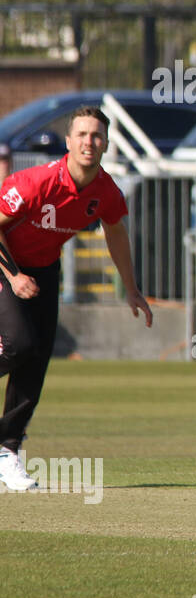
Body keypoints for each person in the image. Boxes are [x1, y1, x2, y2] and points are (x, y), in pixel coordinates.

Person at [0, 106, 153, 491]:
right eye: (82, 134)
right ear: (68, 142)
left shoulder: (105, 191)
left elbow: (116, 234)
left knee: (37, 359)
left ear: (105, 144)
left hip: (44, 271)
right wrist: (14, 276)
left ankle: (7, 451)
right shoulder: (35, 183)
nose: (89, 142)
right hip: (6, 265)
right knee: (19, 344)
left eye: (96, 135)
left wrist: (131, 289)